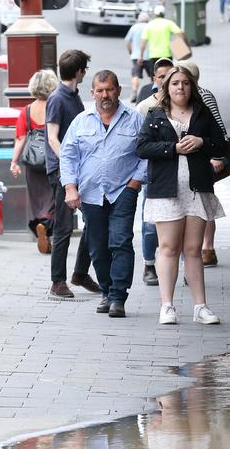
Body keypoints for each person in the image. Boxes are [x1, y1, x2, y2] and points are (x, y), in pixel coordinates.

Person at [137, 66, 226, 326]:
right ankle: (167, 306)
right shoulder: (155, 114)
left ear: (192, 86)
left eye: (185, 83)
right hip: (166, 190)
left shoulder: (202, 112)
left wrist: (202, 143)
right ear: (166, 87)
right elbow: (142, 147)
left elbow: (220, 142)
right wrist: (173, 148)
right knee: (168, 248)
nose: (180, 87)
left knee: (193, 250)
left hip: (197, 188)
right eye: (175, 83)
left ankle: (201, 307)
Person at [61, 70, 146, 319]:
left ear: (118, 90)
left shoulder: (134, 119)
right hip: (90, 194)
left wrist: (135, 181)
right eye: (100, 90)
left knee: (120, 241)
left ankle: (118, 296)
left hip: (123, 190)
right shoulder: (81, 121)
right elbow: (68, 156)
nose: (105, 95)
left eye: (109, 89)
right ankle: (107, 292)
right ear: (92, 93)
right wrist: (70, 187)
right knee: (98, 247)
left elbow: (147, 153)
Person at [45, 49, 100, 299]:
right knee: (64, 227)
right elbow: (53, 138)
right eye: (84, 69)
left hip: (78, 168)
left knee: (93, 221)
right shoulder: (57, 98)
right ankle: (58, 281)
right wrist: (68, 166)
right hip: (62, 171)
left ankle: (79, 272)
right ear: (79, 72)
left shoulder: (73, 96)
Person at [177, 60, 227, 267]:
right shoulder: (174, 99)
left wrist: (215, 156)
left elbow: (218, 127)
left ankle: (208, 247)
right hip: (182, 162)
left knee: (204, 203)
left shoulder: (204, 95)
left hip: (204, 157)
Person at [135, 58, 175, 286]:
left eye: (170, 75)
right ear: (154, 80)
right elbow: (138, 145)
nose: (166, 80)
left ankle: (184, 264)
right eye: (161, 76)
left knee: (182, 220)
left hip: (181, 172)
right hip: (154, 173)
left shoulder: (183, 104)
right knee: (150, 223)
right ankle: (149, 264)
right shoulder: (145, 107)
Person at [10, 69, 58, 253]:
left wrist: (14, 162)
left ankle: (40, 226)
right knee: (53, 198)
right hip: (52, 159)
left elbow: (20, 138)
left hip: (31, 161)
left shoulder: (27, 110)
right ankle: (46, 227)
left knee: (37, 199)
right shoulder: (54, 106)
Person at [139, 5, 188, 75]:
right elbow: (180, 34)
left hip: (153, 56)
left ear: (155, 14)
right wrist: (182, 47)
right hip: (166, 55)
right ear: (164, 14)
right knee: (168, 76)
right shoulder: (168, 23)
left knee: (155, 77)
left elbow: (143, 43)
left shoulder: (149, 25)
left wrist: (141, 56)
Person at [124, 11, 150, 103]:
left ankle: (134, 91)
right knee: (153, 76)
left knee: (135, 75)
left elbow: (127, 41)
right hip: (149, 56)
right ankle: (153, 93)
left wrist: (131, 52)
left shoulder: (134, 28)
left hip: (136, 56)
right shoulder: (150, 27)